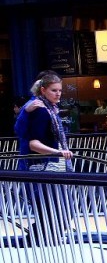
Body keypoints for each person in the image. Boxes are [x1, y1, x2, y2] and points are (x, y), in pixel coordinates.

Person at [16, 73, 76, 245]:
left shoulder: (48, 109)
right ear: (43, 90)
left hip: (48, 165)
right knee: (54, 208)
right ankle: (44, 239)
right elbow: (32, 142)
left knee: (54, 209)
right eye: (54, 90)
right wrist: (58, 152)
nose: (58, 94)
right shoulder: (40, 110)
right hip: (43, 166)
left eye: (60, 90)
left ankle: (44, 238)